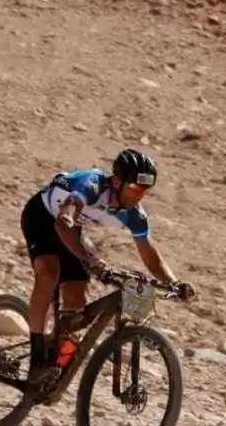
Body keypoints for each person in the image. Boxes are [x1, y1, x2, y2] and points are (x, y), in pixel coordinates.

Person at [19, 148, 197, 386]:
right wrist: (88, 258)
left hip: (73, 231)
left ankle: (55, 357)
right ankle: (36, 356)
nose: (138, 196)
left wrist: (174, 283)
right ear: (116, 181)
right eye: (134, 189)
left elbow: (150, 256)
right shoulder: (91, 185)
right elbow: (63, 223)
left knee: (77, 304)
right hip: (43, 218)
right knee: (49, 274)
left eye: (144, 191)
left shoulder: (134, 214)